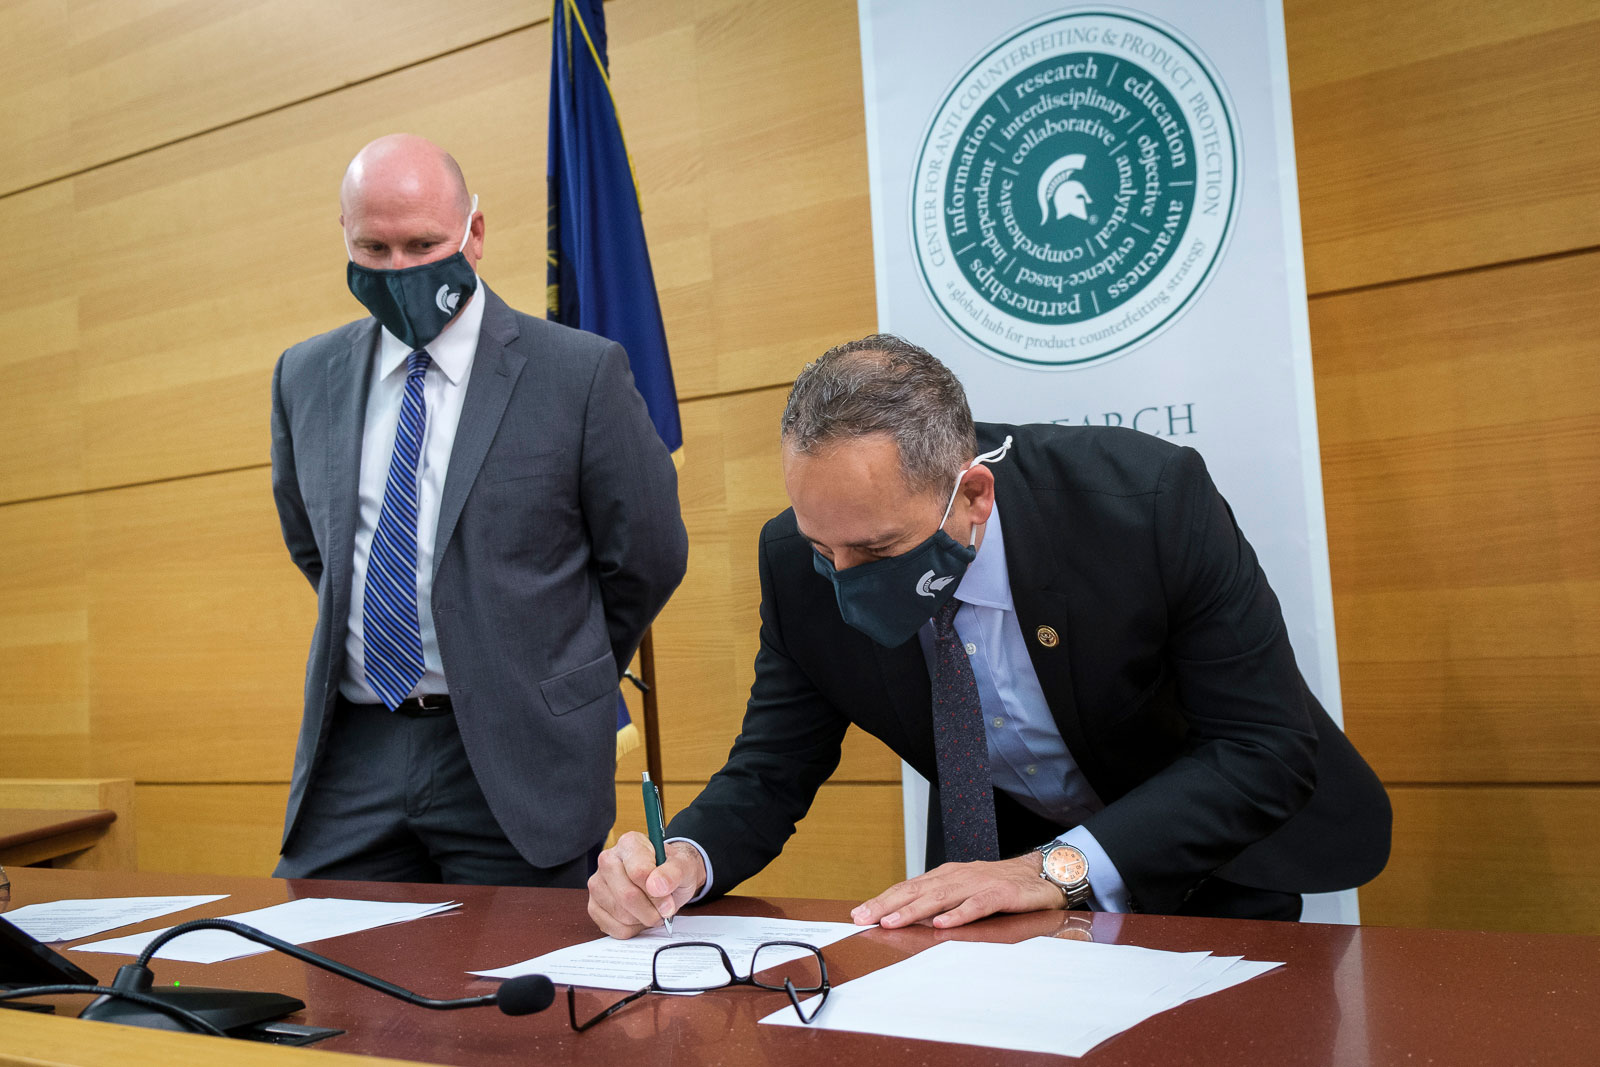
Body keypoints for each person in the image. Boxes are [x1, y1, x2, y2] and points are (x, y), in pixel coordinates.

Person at [588, 334, 1389, 934]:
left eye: (873, 551)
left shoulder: (1145, 503)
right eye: (820, 545)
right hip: (1006, 898)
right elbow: (770, 771)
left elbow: (1266, 749)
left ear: (973, 495)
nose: (841, 572)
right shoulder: (797, 567)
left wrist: (1060, 868)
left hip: (1211, 863)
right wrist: (682, 862)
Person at [270, 134, 687, 886]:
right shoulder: (305, 375)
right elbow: (318, 547)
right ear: (345, 236)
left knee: (519, 990)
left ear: (475, 234)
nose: (399, 269)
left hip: (520, 754)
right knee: (324, 980)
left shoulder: (579, 373)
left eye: (424, 243)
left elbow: (648, 555)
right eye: (375, 247)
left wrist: (546, 665)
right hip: (355, 752)